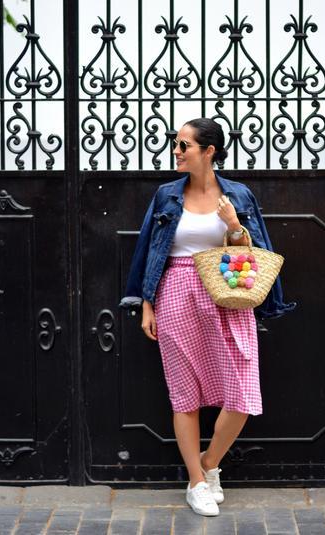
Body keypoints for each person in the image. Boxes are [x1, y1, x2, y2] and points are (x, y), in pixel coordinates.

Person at [119, 118, 296, 516]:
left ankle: (209, 464)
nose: (176, 151)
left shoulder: (238, 195)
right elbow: (148, 249)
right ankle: (196, 484)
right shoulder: (166, 195)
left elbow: (254, 251)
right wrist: (147, 303)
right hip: (176, 294)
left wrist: (234, 225)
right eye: (176, 144)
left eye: (184, 145)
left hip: (227, 293)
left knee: (243, 392)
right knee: (185, 393)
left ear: (208, 151)